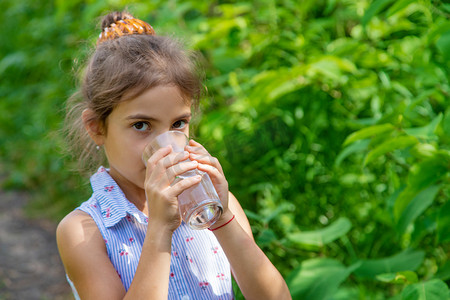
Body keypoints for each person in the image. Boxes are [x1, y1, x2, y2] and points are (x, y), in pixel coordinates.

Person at [56, 11, 291, 300]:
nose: (165, 147)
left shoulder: (212, 205)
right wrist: (158, 229)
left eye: (178, 124)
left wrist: (224, 219)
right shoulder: (84, 231)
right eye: (141, 126)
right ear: (97, 128)